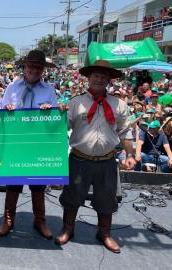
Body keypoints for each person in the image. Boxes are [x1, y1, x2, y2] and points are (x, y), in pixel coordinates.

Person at [55, 60, 136, 253]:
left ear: (109, 79)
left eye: (103, 76)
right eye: (95, 75)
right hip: (79, 159)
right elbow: (61, 130)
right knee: (72, 197)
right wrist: (57, 114)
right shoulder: (75, 103)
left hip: (107, 160)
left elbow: (125, 132)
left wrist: (130, 154)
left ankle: (105, 233)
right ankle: (68, 228)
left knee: (106, 199)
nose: (99, 79)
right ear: (88, 78)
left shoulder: (119, 104)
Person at [0, 50, 57, 239]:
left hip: (38, 144)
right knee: (13, 184)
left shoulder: (49, 90)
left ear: (43, 70)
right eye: (31, 65)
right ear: (24, 67)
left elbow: (55, 119)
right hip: (16, 143)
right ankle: (8, 219)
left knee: (38, 186)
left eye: (38, 67)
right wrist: (5, 109)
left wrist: (50, 110)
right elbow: (1, 113)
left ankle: (40, 220)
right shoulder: (12, 87)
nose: (34, 70)